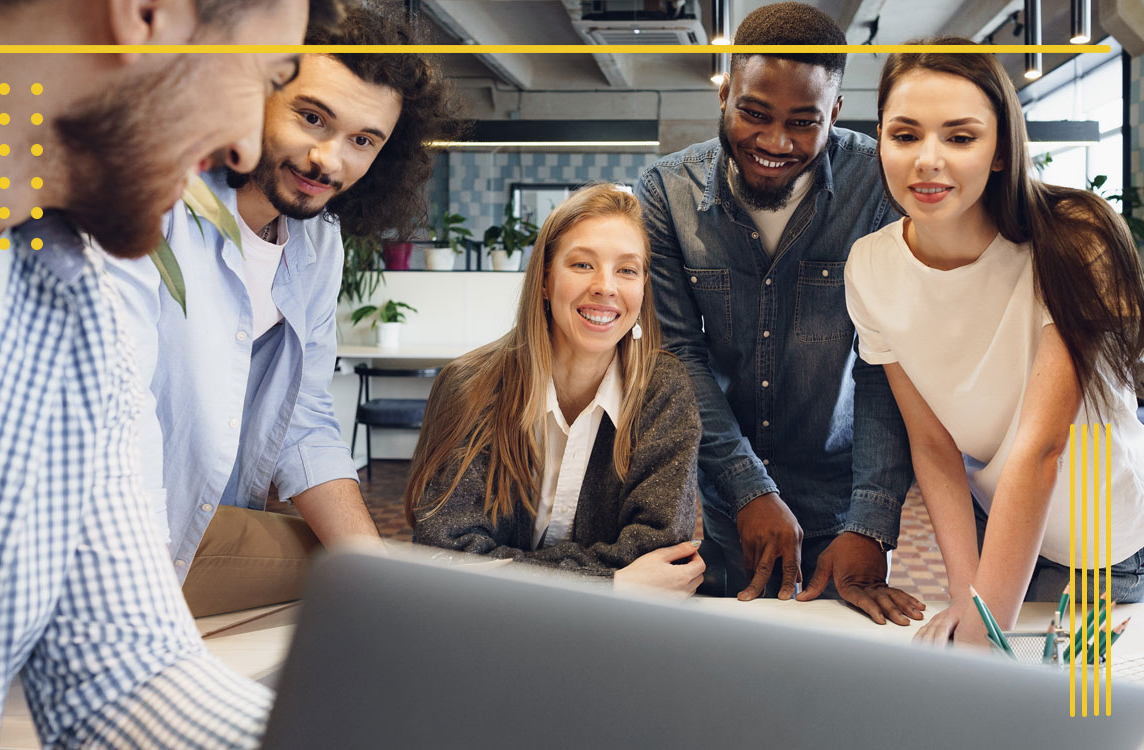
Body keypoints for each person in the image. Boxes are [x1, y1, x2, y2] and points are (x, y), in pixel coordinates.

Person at [0, 0, 324, 744]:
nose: (248, 150)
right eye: (265, 73)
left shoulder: (66, 309)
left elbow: (124, 672)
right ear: (148, 13)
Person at [109, 4, 467, 616]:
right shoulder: (157, 205)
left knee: (370, 576)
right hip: (120, 539)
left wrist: (375, 577)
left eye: (362, 140)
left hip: (213, 516)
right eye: (311, 117)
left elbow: (305, 416)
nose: (329, 158)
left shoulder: (317, 244)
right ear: (255, 89)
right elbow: (119, 414)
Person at [845, 41, 1144, 646]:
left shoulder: (1073, 238)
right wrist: (965, 595)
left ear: (1002, 147)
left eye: (960, 137)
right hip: (1006, 540)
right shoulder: (869, 267)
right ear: (880, 140)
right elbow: (931, 446)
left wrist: (984, 623)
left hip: (1112, 548)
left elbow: (1042, 446)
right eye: (905, 136)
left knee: (1081, 729)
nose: (928, 161)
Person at [636, 1, 924, 624]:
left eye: (803, 122)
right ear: (725, 95)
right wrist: (746, 488)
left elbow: (885, 364)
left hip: (841, 503)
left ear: (837, 113)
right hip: (717, 500)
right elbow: (676, 353)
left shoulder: (878, 185)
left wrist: (871, 523)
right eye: (754, 114)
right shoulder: (665, 191)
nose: (774, 142)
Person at [406, 184, 705, 597]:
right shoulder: (470, 386)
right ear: (545, 280)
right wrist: (612, 581)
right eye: (582, 265)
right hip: (487, 628)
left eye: (627, 269)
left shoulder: (664, 391)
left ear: (642, 287)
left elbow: (660, 554)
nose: (606, 286)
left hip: (613, 637)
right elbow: (446, 557)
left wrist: (507, 570)